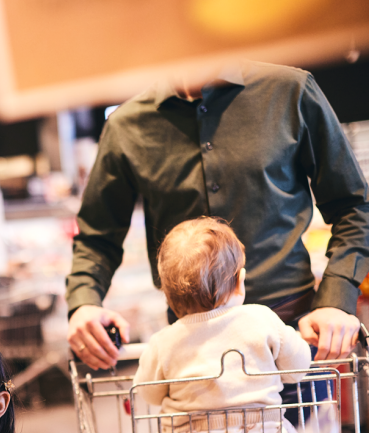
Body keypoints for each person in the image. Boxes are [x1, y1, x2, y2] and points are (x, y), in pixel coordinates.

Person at [66, 61, 369, 381]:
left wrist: (336, 299)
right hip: (190, 351)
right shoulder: (127, 125)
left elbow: (352, 207)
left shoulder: (289, 91)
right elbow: (98, 238)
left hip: (293, 335)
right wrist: (84, 302)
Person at [135, 218, 312, 433]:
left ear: (167, 297)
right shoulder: (262, 319)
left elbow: (149, 394)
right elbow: (298, 369)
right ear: (240, 281)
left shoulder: (163, 342)